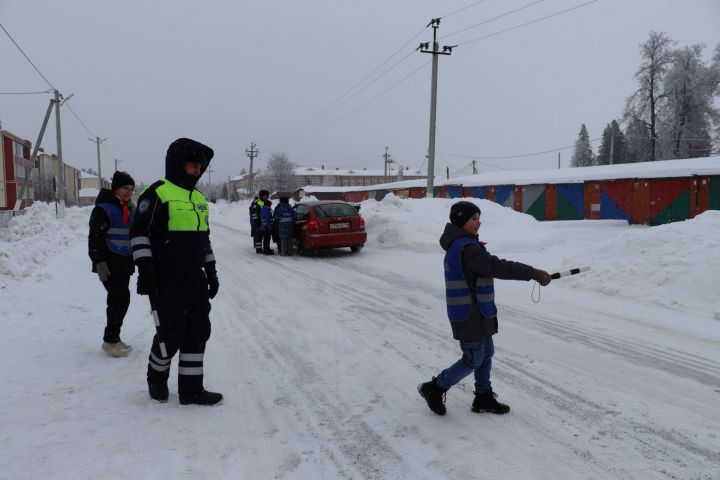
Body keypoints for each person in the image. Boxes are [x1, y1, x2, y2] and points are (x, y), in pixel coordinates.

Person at [418, 201, 551, 416]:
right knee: (473, 359)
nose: (478, 222)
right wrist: (532, 272)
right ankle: (435, 388)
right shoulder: (466, 247)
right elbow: (497, 266)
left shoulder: (465, 244)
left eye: (478, 218)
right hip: (469, 314)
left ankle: (483, 397)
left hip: (478, 312)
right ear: (461, 221)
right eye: (473, 218)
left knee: (486, 353)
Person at [130, 138, 223, 406]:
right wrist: (145, 269)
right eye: (192, 164)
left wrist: (212, 270)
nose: (196, 170)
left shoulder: (198, 198)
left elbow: (203, 239)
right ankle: (156, 378)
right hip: (166, 279)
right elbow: (138, 234)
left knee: (198, 331)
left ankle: (191, 389)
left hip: (195, 278)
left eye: (199, 166)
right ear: (177, 164)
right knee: (170, 336)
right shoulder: (157, 192)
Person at [88, 171, 136, 358]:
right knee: (119, 299)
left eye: (131, 189)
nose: (128, 192)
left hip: (124, 261)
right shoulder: (103, 208)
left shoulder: (129, 207)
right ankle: (110, 340)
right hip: (109, 263)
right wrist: (98, 261)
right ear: (116, 187)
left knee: (120, 299)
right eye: (125, 188)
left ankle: (113, 337)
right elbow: (95, 237)